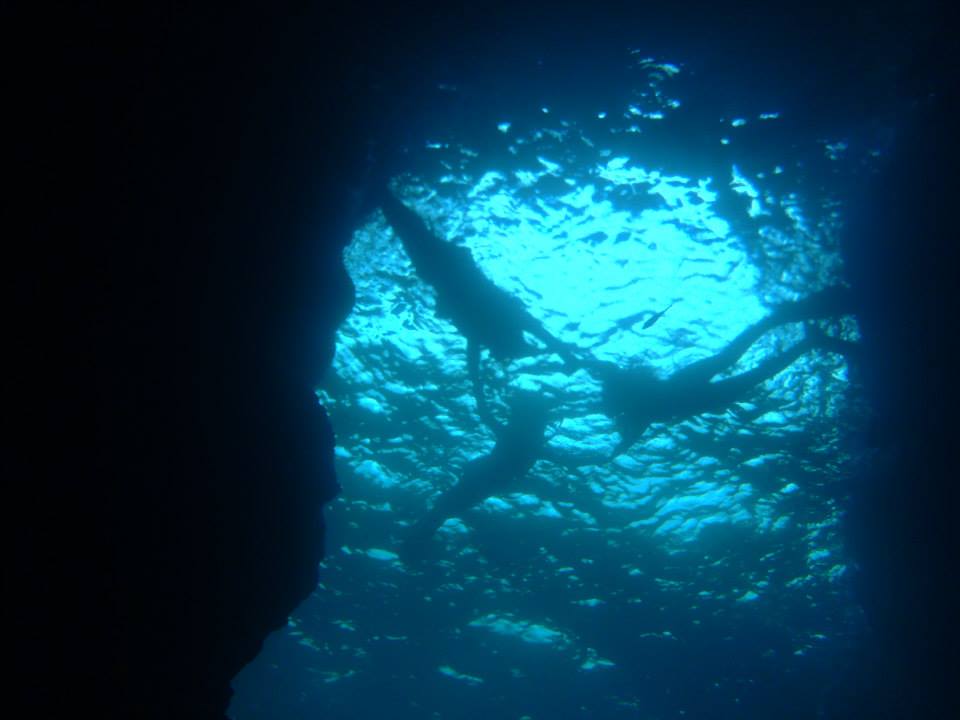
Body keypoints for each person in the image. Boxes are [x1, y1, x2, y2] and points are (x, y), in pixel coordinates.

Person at [599, 287, 857, 455]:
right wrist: (618, 448)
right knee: (736, 360)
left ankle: (801, 338)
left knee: (750, 371)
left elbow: (632, 433)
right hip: (688, 388)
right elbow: (632, 422)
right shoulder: (633, 409)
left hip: (692, 395)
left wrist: (617, 451)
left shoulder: (634, 413)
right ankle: (782, 326)